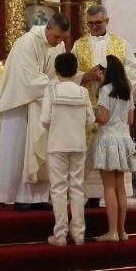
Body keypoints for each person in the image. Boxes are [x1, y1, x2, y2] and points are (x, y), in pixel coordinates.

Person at [0, 12, 70, 210]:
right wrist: (59, 87)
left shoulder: (58, 45)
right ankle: (17, 196)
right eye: (56, 36)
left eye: (62, 38)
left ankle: (39, 197)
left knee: (41, 149)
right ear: (48, 28)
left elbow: (57, 73)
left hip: (41, 102)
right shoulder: (27, 42)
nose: (59, 41)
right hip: (19, 104)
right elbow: (29, 80)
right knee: (18, 151)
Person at [72, 4, 136, 206]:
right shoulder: (78, 45)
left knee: (115, 170)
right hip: (90, 107)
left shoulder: (121, 44)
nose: (94, 26)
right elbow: (70, 71)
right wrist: (86, 75)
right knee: (91, 153)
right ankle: (92, 195)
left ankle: (116, 202)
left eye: (98, 23)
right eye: (90, 23)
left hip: (114, 109)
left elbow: (134, 72)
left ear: (107, 21)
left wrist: (112, 79)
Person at [41, 52, 94, 245]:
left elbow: (45, 119)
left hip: (57, 144)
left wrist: (56, 127)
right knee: (78, 189)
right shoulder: (83, 92)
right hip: (78, 145)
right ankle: (79, 234)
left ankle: (61, 234)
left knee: (58, 189)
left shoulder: (52, 90)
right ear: (75, 70)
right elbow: (90, 120)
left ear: (56, 71)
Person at [87, 54, 136, 241]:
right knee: (120, 188)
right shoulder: (127, 91)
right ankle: (122, 230)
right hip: (123, 139)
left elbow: (102, 118)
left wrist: (91, 114)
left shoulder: (105, 90)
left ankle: (112, 231)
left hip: (108, 139)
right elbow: (131, 120)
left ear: (106, 72)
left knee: (108, 187)